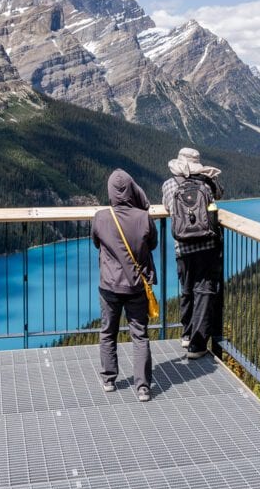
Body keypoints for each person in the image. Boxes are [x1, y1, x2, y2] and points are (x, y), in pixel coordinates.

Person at [91, 169, 158, 402]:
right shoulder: (144, 217)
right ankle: (143, 387)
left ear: (110, 191)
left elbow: (96, 242)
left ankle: (109, 379)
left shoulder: (101, 217)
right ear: (132, 189)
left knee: (108, 332)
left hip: (109, 285)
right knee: (139, 335)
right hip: (136, 285)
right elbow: (153, 244)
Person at [162, 147, 224, 359]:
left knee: (186, 290)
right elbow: (220, 194)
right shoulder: (206, 184)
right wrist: (207, 177)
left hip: (183, 247)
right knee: (204, 292)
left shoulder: (169, 185)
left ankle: (186, 334)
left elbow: (168, 207)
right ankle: (197, 346)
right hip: (207, 245)